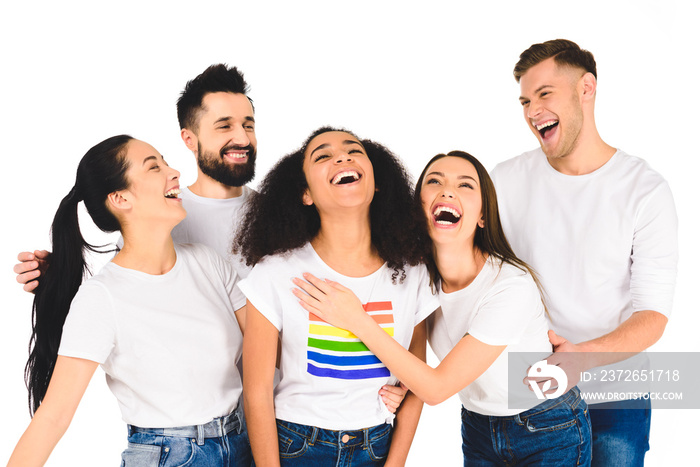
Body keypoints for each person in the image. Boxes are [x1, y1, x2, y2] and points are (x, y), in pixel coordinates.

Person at [295, 151, 592, 465]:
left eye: (465, 185)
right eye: (434, 181)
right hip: (478, 426)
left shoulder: (510, 287)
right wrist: (405, 384)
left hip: (547, 426)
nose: (447, 190)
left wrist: (357, 319)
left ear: (482, 216)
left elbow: (436, 389)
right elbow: (411, 355)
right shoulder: (415, 278)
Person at [7, 135, 251, 466]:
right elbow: (53, 417)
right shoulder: (102, 298)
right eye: (154, 167)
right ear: (120, 198)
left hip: (242, 443)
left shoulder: (208, 263)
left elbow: (267, 349)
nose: (174, 171)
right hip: (172, 455)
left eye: (165, 161)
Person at [490, 39, 678, 465]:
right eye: (524, 101)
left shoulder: (645, 191)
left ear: (586, 89)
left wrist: (579, 360)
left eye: (544, 94)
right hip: (528, 396)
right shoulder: (504, 181)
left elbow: (652, 317)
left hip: (616, 399)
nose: (532, 110)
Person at [233, 127, 439, 466]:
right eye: (323, 156)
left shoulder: (412, 271)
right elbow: (256, 395)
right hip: (297, 445)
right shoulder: (275, 272)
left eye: (353, 150)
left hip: (377, 445)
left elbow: (417, 380)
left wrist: (395, 463)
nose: (342, 157)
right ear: (306, 194)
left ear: (376, 183)